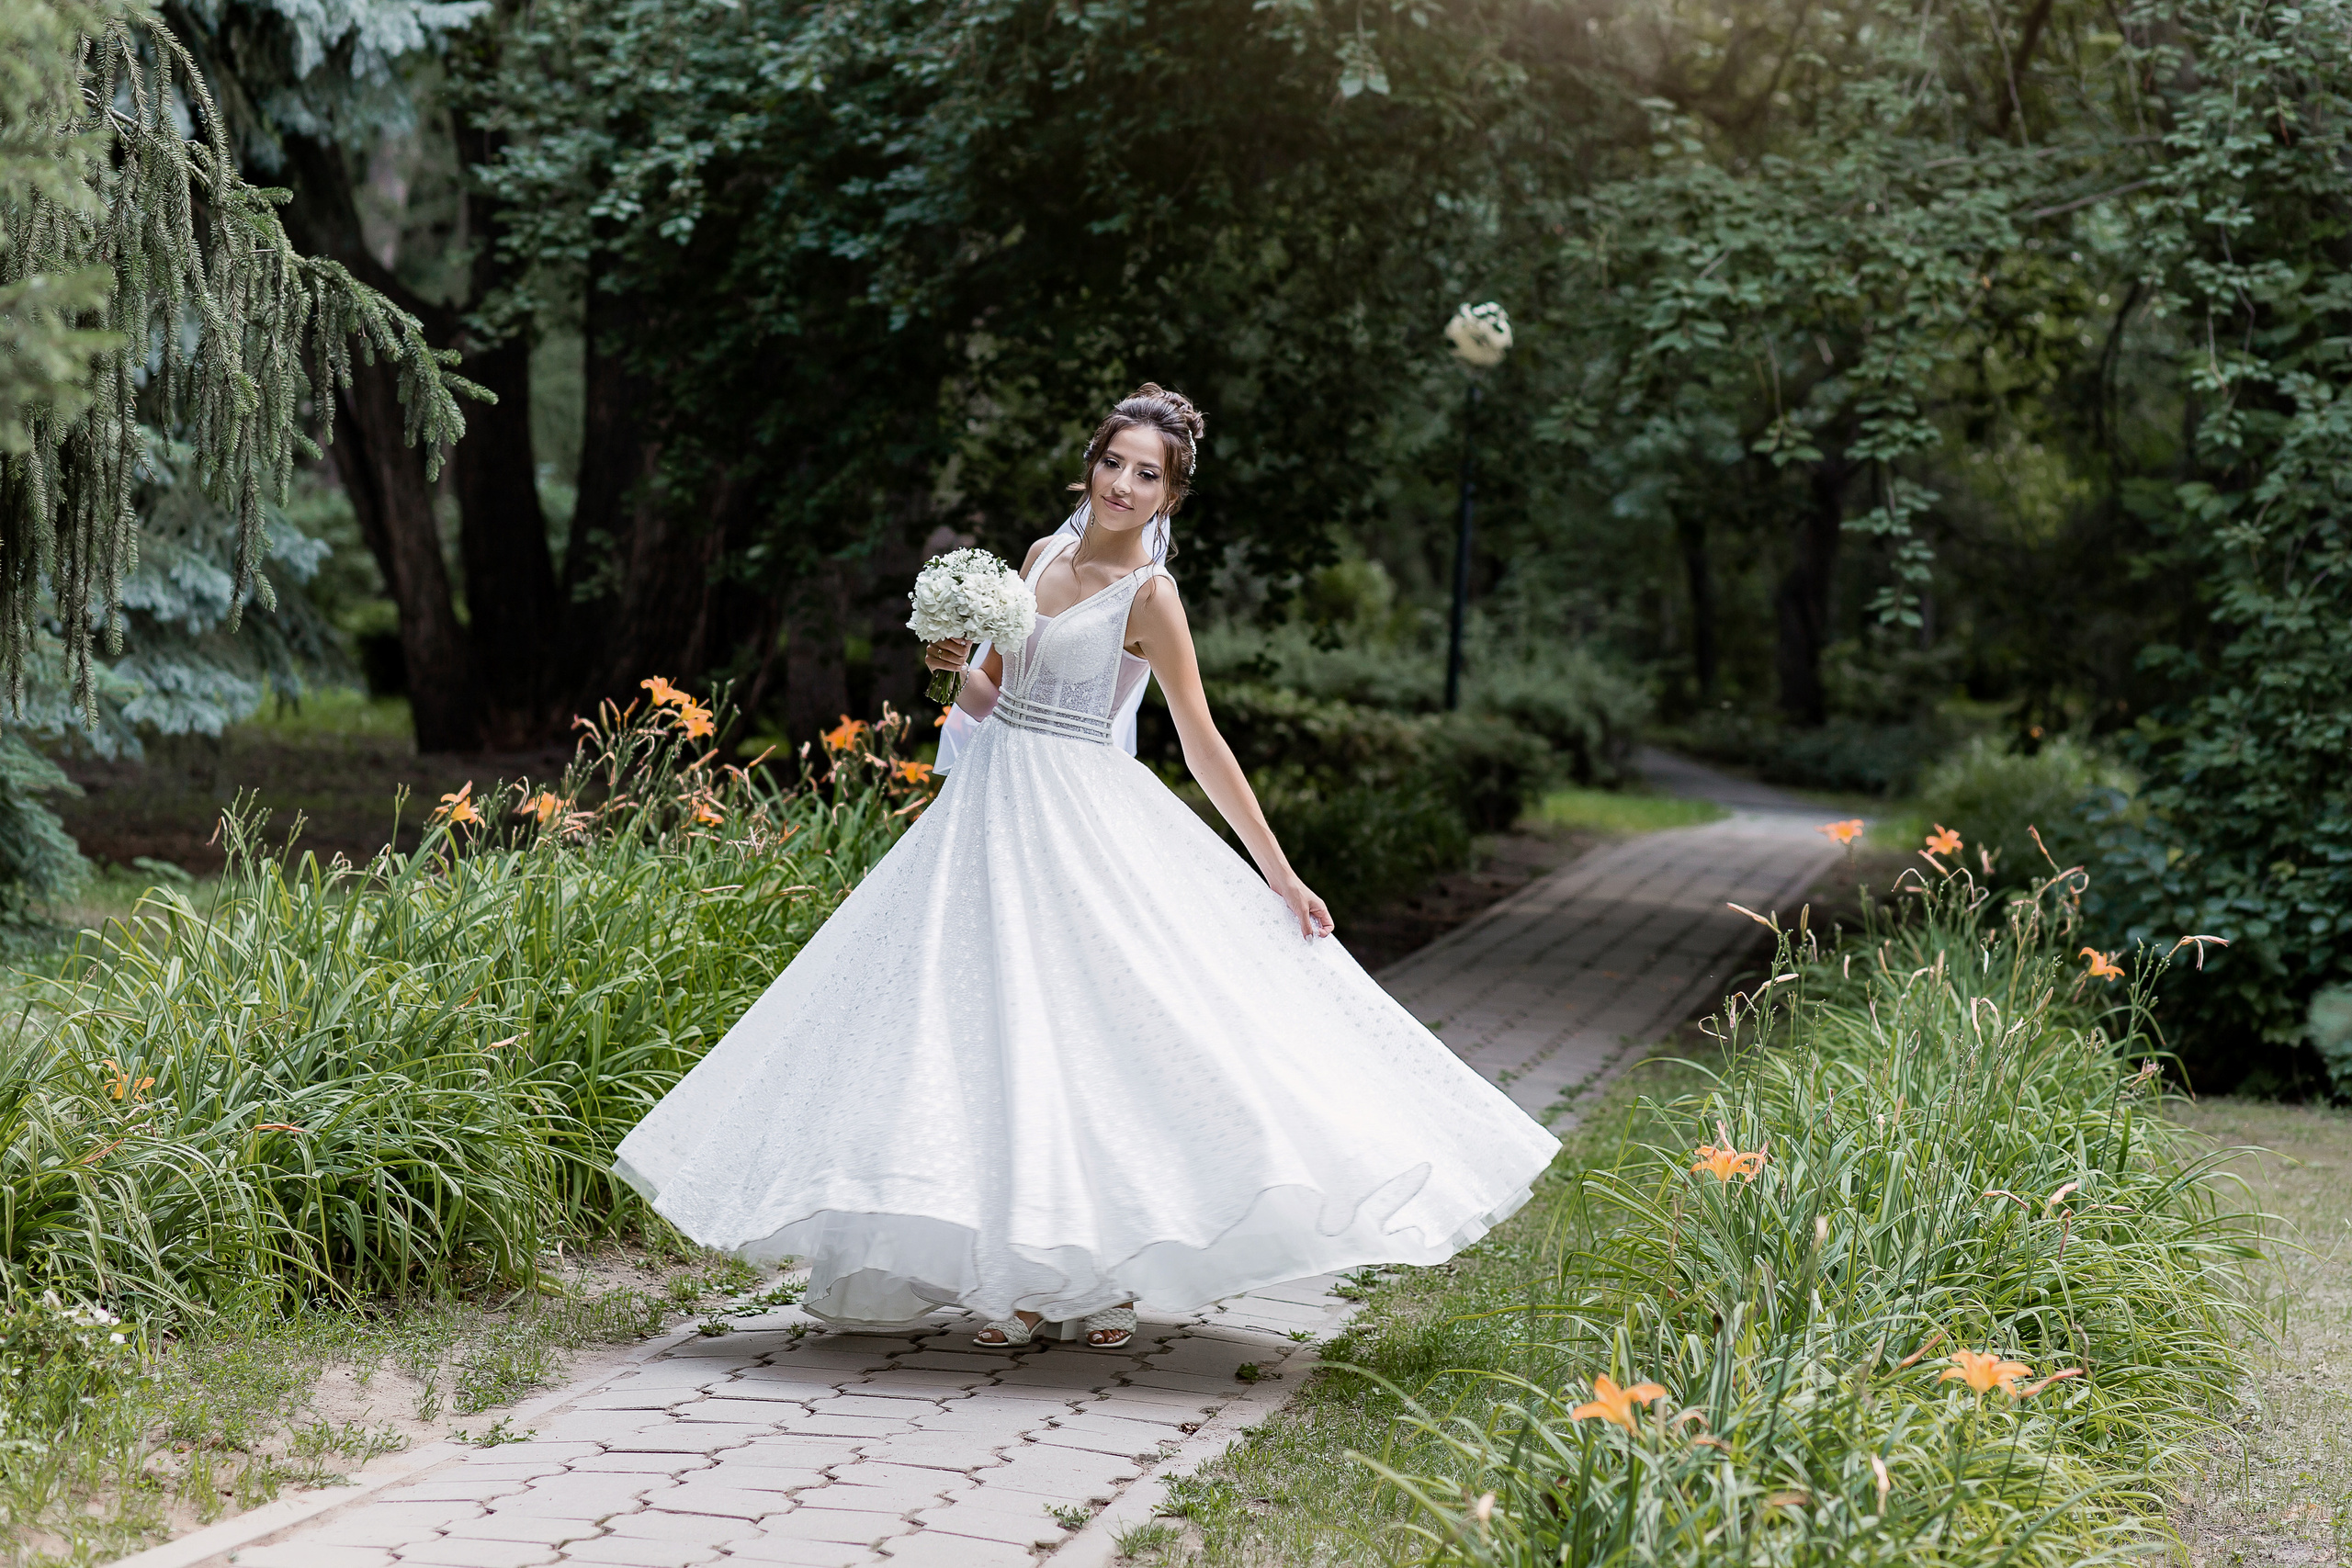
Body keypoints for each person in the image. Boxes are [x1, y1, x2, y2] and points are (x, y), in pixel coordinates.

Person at [613, 384, 1560, 1350]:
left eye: (1146, 475)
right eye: (1113, 463)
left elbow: (1200, 740)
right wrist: (955, 666)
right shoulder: (1038, 558)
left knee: (1077, 1033)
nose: (1123, 484)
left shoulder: (1150, 597)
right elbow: (999, 699)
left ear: (1168, 498)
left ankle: (1080, 1279)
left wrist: (1279, 872)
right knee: (972, 1032)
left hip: (1078, 817)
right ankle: (1007, 1270)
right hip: (988, 817)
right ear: (1091, 466)